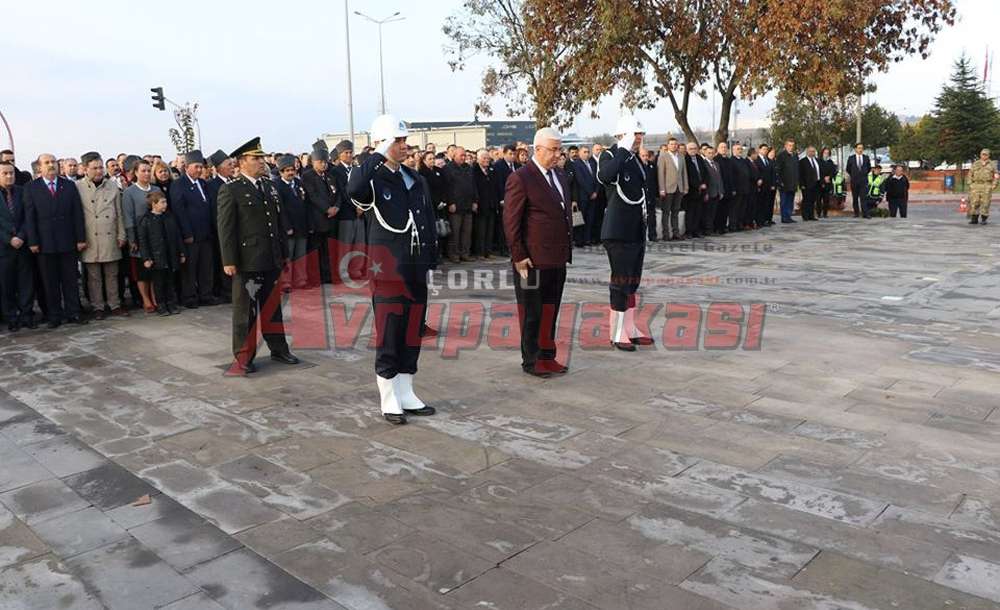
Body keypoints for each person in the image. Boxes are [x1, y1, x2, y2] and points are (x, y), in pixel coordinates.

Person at [347, 115, 438, 424]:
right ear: (383, 143)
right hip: (388, 270)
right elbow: (354, 187)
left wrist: (430, 260)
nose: (404, 146)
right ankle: (388, 395)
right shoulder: (372, 179)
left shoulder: (414, 178)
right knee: (390, 331)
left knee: (412, 330)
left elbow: (425, 220)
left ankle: (406, 390)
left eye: (403, 141)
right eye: (397, 141)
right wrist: (377, 153)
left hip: (414, 268)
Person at [217, 137, 299, 376]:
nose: (262, 162)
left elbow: (278, 222)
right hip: (247, 260)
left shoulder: (269, 186)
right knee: (246, 311)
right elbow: (226, 228)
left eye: (262, 158)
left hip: (270, 257)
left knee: (272, 307)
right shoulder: (231, 189)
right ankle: (244, 356)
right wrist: (229, 260)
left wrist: (282, 253)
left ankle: (278, 348)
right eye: (256, 158)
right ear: (242, 162)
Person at [503, 127, 572, 378]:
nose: (557, 154)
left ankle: (547, 355)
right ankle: (531, 360)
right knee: (532, 312)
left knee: (550, 310)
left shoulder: (560, 176)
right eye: (553, 149)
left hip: (556, 258)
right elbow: (511, 221)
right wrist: (518, 255)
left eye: (559, 149)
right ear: (538, 149)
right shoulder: (521, 177)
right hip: (531, 260)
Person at [597, 115, 654, 351]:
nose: (639, 138)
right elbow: (604, 177)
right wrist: (621, 150)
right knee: (620, 281)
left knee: (632, 281)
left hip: (635, 228)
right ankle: (617, 331)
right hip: (617, 229)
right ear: (622, 135)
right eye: (635, 134)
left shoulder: (634, 159)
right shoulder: (611, 155)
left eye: (640, 134)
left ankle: (630, 327)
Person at [23, 154, 87, 328]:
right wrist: (33, 241)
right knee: (49, 282)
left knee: (70, 280)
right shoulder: (31, 188)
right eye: (47, 163)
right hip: (44, 244)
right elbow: (30, 217)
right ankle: (54, 315)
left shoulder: (69, 186)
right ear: (39, 167)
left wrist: (81, 238)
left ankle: (73, 312)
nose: (51, 165)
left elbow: (77, 213)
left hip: (68, 241)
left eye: (53, 162)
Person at [77, 152, 127, 319]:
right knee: (93, 277)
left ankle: (114, 304)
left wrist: (122, 234)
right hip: (90, 237)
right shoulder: (78, 187)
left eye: (100, 167)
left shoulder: (112, 186)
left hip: (110, 235)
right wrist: (79, 238)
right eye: (94, 168)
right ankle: (97, 306)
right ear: (85, 169)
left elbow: (119, 213)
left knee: (112, 274)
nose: (99, 171)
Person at [171, 150, 217, 307]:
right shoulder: (178, 185)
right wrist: (186, 233)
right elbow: (179, 211)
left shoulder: (203, 183)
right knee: (190, 269)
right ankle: (189, 297)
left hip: (206, 233)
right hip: (191, 234)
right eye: (196, 167)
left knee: (206, 266)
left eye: (201, 167)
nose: (199, 170)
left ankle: (206, 294)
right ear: (187, 167)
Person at [0, 162, 35, 330]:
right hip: (4, 249)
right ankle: (11, 317)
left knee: (26, 283)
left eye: (11, 173)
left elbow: (29, 216)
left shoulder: (22, 192)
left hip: (23, 245)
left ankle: (27, 315)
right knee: (7, 285)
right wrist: (9, 239)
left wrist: (21, 236)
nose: (9, 176)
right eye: (5, 173)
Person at [138, 191, 185, 316]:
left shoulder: (169, 217)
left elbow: (177, 236)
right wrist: (146, 258)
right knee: (158, 282)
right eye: (162, 202)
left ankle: (171, 303)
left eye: (165, 202)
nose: (165, 205)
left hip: (170, 255)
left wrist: (181, 253)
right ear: (154, 204)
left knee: (170, 281)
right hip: (156, 257)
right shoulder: (146, 219)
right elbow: (143, 241)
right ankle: (161, 304)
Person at [122, 159, 160, 312]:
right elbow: (128, 216)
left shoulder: (156, 189)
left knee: (155, 270)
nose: (146, 173)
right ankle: (146, 300)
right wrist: (132, 239)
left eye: (148, 170)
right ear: (136, 172)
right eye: (142, 170)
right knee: (142, 271)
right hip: (139, 236)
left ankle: (155, 297)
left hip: (156, 235)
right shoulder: (129, 192)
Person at [301, 142, 338, 285]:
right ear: (314, 162)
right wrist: (327, 209)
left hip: (331, 219)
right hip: (317, 219)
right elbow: (313, 196)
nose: (324, 164)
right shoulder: (307, 176)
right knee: (316, 250)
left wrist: (336, 207)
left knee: (329, 250)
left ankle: (328, 276)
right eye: (320, 162)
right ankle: (315, 277)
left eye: (325, 162)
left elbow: (337, 193)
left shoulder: (330, 176)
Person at [330, 140, 365, 283]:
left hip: (360, 212)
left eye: (351, 152)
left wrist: (362, 205)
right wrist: (354, 206)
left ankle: (356, 269)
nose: (349, 155)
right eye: (346, 153)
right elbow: (342, 192)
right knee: (346, 244)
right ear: (340, 155)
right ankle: (343, 272)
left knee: (359, 243)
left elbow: (362, 188)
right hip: (346, 213)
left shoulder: (357, 170)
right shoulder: (335, 171)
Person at [275, 154, 312, 289]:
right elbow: (280, 209)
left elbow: (306, 204)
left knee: (301, 255)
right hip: (287, 228)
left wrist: (309, 224)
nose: (291, 173)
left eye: (292, 170)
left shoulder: (299, 183)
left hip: (301, 226)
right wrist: (286, 226)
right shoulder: (277, 186)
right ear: (281, 172)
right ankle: (286, 282)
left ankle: (301, 280)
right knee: (288, 256)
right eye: (287, 170)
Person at [444, 146, 477, 263]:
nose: (463, 158)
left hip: (468, 205)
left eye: (464, 155)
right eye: (461, 155)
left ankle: (465, 253)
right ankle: (454, 254)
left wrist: (475, 201)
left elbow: (473, 185)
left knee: (467, 232)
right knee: (455, 232)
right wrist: (451, 203)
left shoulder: (468, 168)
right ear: (454, 156)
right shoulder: (448, 168)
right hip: (456, 206)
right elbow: (447, 188)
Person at [657, 137, 687, 241]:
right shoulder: (663, 156)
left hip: (679, 188)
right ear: (668, 145)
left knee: (676, 211)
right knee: (666, 212)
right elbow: (660, 174)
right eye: (671, 144)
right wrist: (661, 189)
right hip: (667, 188)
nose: (673, 146)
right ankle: (666, 234)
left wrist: (685, 187)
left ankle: (676, 233)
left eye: (675, 144)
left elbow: (684, 173)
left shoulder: (681, 156)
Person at [472, 149, 499, 259]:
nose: (487, 160)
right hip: (481, 204)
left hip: (491, 204)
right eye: (484, 158)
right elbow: (473, 188)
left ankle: (488, 251)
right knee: (481, 231)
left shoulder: (491, 170)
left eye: (488, 158)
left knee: (489, 230)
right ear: (478, 159)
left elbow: (495, 187)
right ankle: (480, 252)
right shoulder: (474, 171)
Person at [968, 148, 998, 225]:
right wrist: (970, 184)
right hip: (976, 185)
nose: (984, 156)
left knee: (985, 203)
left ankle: (984, 219)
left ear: (988, 155)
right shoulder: (976, 163)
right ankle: (974, 219)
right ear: (980, 155)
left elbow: (996, 175)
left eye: (986, 154)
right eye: (982, 154)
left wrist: (994, 184)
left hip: (986, 185)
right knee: (974, 202)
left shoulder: (992, 164)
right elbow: (970, 174)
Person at [684, 142, 708, 238]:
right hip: (691, 190)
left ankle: (696, 230)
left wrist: (704, 183)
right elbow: (687, 176)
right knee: (690, 212)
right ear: (687, 150)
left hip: (701, 190)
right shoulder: (685, 159)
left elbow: (705, 172)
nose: (693, 150)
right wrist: (698, 185)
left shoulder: (699, 158)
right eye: (691, 149)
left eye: (694, 148)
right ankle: (689, 231)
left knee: (698, 212)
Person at [774, 139, 799, 224]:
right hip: (784, 183)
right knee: (784, 201)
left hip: (793, 183)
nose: (791, 147)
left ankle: (788, 216)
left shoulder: (795, 156)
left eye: (792, 145)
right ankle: (784, 217)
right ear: (785, 146)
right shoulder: (781, 156)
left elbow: (797, 169)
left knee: (790, 201)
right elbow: (778, 170)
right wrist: (780, 182)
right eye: (789, 145)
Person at [714, 142, 736, 234]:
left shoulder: (729, 160)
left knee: (726, 209)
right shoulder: (716, 159)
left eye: (725, 147)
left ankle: (723, 226)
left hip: (729, 189)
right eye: (722, 147)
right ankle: (717, 227)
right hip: (720, 189)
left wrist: (733, 188)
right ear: (718, 149)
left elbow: (732, 175)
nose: (724, 149)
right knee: (719, 209)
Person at [730, 143, 754, 230]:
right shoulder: (731, 161)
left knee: (742, 208)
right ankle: (733, 225)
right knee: (735, 209)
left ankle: (740, 223)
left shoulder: (743, 161)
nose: (740, 151)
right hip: (737, 189)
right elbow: (731, 176)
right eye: (738, 149)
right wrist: (733, 188)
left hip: (745, 188)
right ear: (733, 151)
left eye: (741, 149)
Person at [845, 143, 871, 218]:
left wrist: (863, 174)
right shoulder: (851, 158)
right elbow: (848, 169)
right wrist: (854, 175)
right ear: (855, 149)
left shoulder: (866, 158)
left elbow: (868, 168)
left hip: (863, 181)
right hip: (854, 181)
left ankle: (865, 214)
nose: (860, 150)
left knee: (863, 198)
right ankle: (856, 213)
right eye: (859, 148)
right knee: (855, 198)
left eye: (862, 148)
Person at [797, 146, 822, 221]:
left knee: (813, 200)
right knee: (806, 200)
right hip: (806, 184)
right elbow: (800, 174)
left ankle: (811, 215)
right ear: (807, 152)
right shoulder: (802, 161)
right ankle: (805, 216)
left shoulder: (817, 160)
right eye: (810, 151)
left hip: (816, 183)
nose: (812, 153)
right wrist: (802, 184)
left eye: (813, 151)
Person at [755, 144, 775, 227]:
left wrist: (773, 184)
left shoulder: (768, 160)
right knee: (760, 204)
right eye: (763, 149)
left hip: (768, 186)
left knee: (767, 204)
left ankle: (766, 220)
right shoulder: (756, 160)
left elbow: (772, 173)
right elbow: (756, 172)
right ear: (759, 150)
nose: (765, 151)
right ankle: (760, 221)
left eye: (766, 149)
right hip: (761, 186)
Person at [640, 148, 658, 240]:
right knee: (641, 217)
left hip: (651, 194)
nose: (645, 158)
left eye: (646, 155)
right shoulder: (637, 166)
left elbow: (655, 180)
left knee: (652, 215)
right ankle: (641, 236)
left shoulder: (652, 165)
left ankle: (652, 235)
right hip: (641, 196)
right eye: (643, 156)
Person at [819, 147, 837, 218]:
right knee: (819, 199)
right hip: (820, 183)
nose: (826, 154)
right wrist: (823, 178)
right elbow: (818, 172)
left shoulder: (830, 162)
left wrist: (829, 177)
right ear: (822, 153)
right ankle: (819, 213)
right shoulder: (819, 161)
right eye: (825, 153)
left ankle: (825, 213)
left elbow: (834, 171)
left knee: (826, 199)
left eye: (827, 153)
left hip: (828, 183)